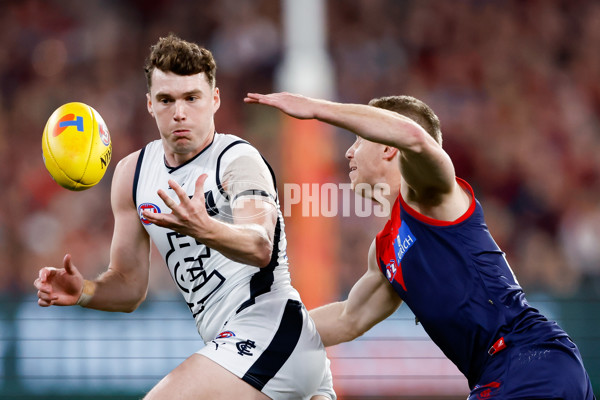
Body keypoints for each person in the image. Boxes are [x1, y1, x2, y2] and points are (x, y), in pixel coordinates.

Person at [33, 35, 335, 400]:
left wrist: (203, 227)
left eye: (192, 98)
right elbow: (129, 287)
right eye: (167, 100)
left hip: (272, 331)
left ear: (215, 100)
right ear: (149, 104)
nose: (179, 112)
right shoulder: (133, 175)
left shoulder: (237, 161)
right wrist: (85, 291)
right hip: (244, 351)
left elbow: (260, 246)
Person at [244, 92, 596, 399]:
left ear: (386, 147)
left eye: (358, 139)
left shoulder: (429, 194)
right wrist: (259, 334)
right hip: (504, 374)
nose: (349, 153)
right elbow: (348, 318)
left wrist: (316, 109)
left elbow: (414, 137)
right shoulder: (384, 249)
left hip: (527, 360)